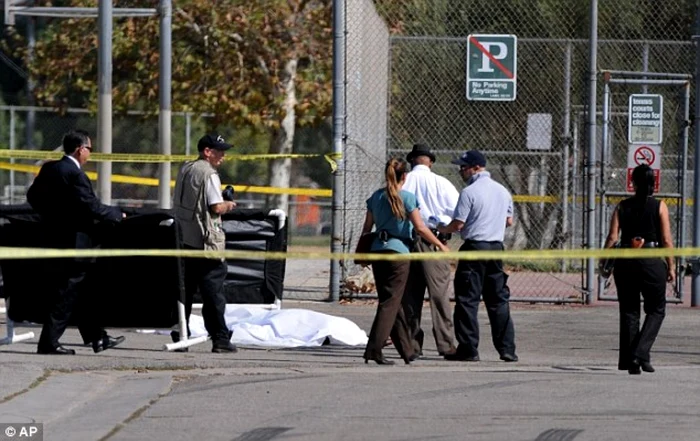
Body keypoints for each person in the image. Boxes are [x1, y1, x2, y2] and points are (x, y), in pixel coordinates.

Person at [27, 129, 125, 355]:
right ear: (81, 149)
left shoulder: (50, 168)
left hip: (52, 239)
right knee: (66, 293)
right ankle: (48, 343)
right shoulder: (75, 174)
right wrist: (117, 215)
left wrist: (52, 217)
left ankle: (97, 337)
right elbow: (90, 205)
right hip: (75, 243)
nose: (90, 153)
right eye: (89, 149)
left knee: (80, 292)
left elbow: (33, 197)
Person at [360, 157, 450, 365]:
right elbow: (420, 228)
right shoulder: (408, 198)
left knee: (392, 302)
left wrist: (363, 253)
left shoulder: (375, 197)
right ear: (405, 176)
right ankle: (373, 348)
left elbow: (367, 229)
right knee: (390, 303)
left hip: (377, 253)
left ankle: (407, 350)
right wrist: (441, 245)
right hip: (399, 253)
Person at [438, 150, 517, 362]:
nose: (460, 171)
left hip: (475, 247)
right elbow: (509, 222)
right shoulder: (503, 191)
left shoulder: (469, 192)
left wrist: (442, 228)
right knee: (498, 300)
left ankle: (468, 349)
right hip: (495, 248)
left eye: (463, 167)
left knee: (467, 300)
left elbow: (458, 224)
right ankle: (507, 349)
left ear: (476, 168)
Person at [602, 164, 674, 375]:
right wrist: (671, 266)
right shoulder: (660, 206)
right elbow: (667, 240)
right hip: (651, 261)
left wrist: (603, 261)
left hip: (625, 261)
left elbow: (613, 237)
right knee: (656, 310)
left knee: (629, 310)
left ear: (633, 183)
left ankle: (632, 359)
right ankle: (639, 352)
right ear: (653, 183)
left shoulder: (621, 206)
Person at [173, 133, 237, 353]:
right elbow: (215, 207)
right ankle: (220, 338)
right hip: (206, 242)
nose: (223, 156)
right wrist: (228, 203)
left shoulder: (186, 169)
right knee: (213, 292)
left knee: (185, 290)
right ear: (207, 152)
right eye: (219, 151)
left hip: (185, 238)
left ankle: (180, 333)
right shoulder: (209, 174)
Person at [401, 143, 459, 356]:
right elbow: (458, 212)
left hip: (407, 241)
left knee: (410, 295)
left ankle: (412, 345)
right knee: (439, 295)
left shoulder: (403, 182)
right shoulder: (442, 183)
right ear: (431, 162)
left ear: (411, 161)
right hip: (435, 240)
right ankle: (446, 345)